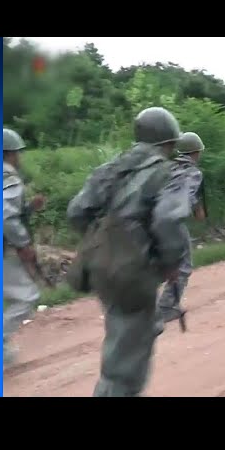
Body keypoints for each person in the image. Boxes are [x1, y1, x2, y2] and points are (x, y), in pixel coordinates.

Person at [66, 107, 189, 397]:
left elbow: (76, 212)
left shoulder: (111, 168)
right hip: (134, 273)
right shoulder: (168, 172)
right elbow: (168, 220)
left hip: (101, 267)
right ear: (166, 142)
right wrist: (171, 262)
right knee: (125, 369)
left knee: (122, 338)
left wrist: (105, 241)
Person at [3, 128, 46, 368]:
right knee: (27, 297)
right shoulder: (7, 176)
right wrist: (23, 244)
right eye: (17, 153)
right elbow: (4, 216)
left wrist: (28, 208)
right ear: (8, 153)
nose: (19, 158)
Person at [157, 132, 206, 324]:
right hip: (174, 222)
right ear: (196, 152)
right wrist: (197, 211)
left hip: (154, 220)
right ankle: (167, 307)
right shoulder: (194, 172)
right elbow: (189, 196)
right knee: (183, 266)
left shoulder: (166, 168)